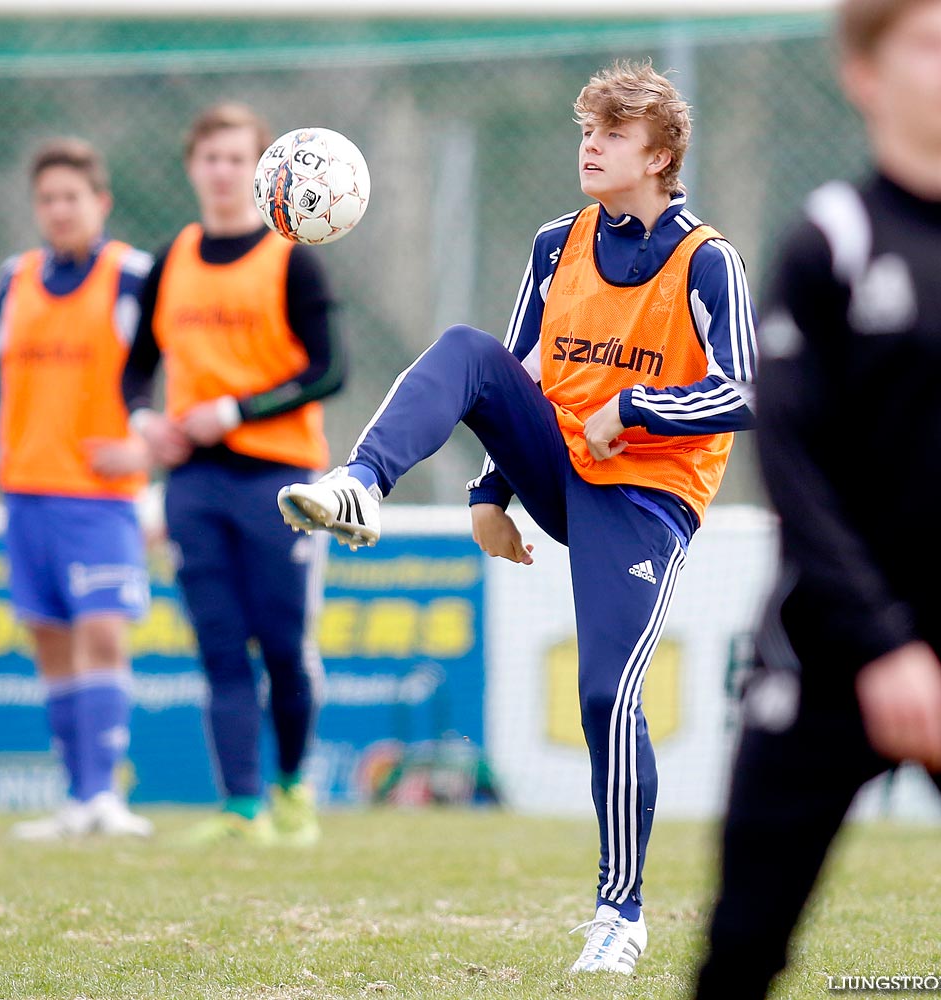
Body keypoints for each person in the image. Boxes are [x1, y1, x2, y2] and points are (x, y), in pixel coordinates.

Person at [278, 61, 756, 974]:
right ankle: (360, 483)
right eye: (586, 129)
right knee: (468, 349)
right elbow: (519, 374)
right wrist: (490, 493)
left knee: (605, 695)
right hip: (560, 466)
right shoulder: (555, 243)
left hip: (647, 500)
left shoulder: (709, 260)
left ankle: (622, 914)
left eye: (612, 134)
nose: (590, 145)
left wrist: (640, 410)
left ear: (659, 156)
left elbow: (744, 389)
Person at [695, 1, 941, 996]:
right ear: (865, 75)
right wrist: (879, 644)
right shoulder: (830, 239)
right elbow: (790, 461)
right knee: (742, 950)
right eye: (929, 45)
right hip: (834, 647)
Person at [122, 103, 343, 847]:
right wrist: (145, 422)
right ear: (192, 166)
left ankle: (292, 792)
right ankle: (241, 807)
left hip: (280, 480)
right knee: (218, 643)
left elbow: (329, 369)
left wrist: (238, 410)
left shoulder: (291, 256)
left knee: (282, 643)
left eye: (234, 158)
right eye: (208, 157)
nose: (220, 171)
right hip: (193, 486)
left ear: (259, 170)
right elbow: (135, 372)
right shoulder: (170, 259)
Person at [0, 138, 155, 840]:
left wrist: (145, 441)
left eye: (73, 196)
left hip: (100, 497)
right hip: (27, 493)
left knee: (102, 632)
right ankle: (77, 800)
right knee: (51, 645)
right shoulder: (18, 276)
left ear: (99, 202)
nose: (59, 209)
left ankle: (105, 797)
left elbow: (168, 364)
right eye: (47, 199)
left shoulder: (132, 275)